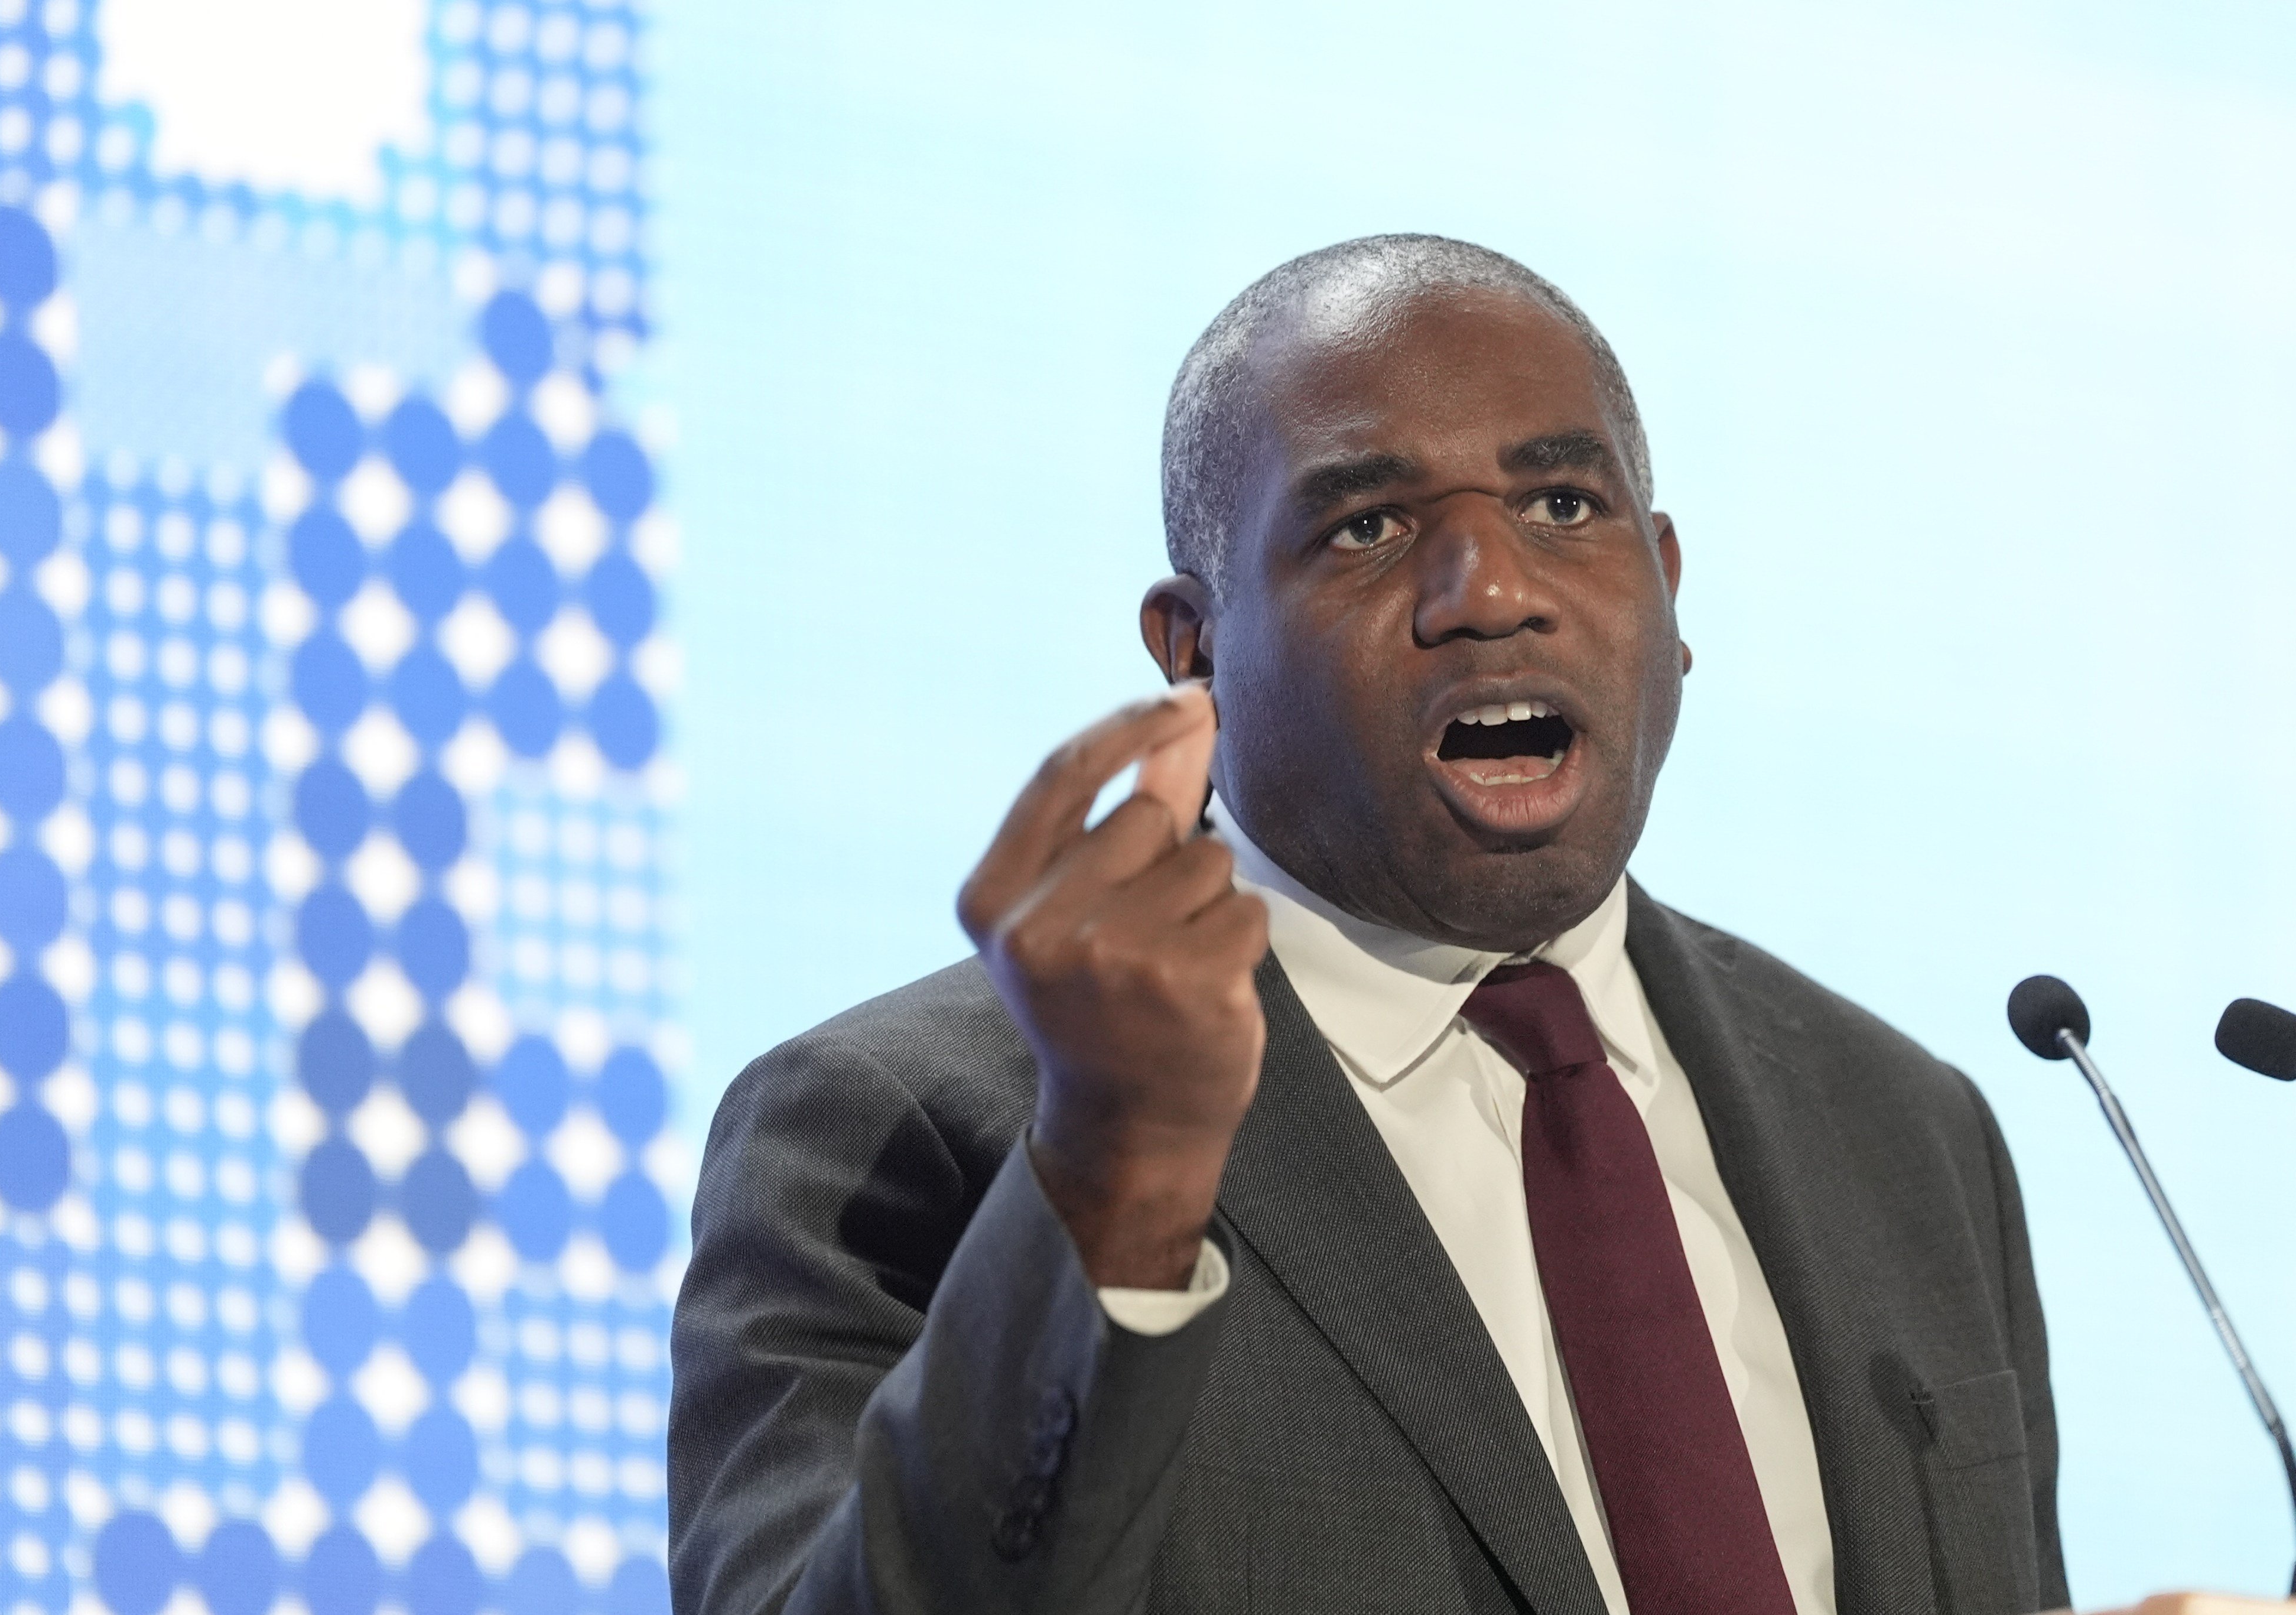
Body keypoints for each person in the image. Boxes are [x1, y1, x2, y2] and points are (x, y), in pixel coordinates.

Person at [667, 235, 2070, 1615]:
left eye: (1561, 505)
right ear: (1192, 650)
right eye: (1366, 527)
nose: (1491, 592)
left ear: (1665, 585)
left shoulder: (1903, 1127)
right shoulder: (907, 1130)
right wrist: (1119, 1180)